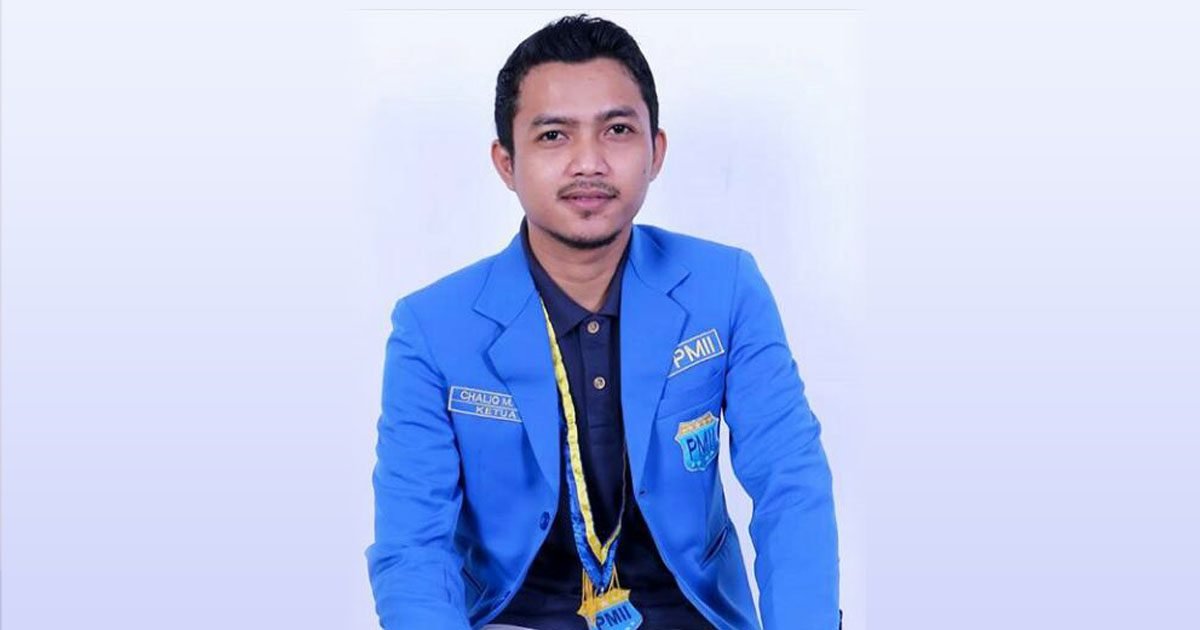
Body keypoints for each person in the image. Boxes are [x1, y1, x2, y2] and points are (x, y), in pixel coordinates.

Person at [366, 14, 840, 630]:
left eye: (617, 130)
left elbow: (789, 483)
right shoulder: (431, 327)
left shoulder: (725, 287)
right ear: (506, 162)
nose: (588, 162)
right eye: (553, 135)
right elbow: (413, 548)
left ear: (655, 151)